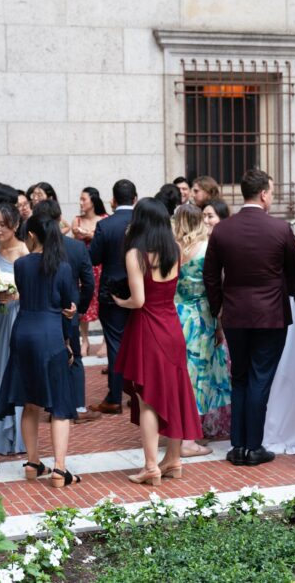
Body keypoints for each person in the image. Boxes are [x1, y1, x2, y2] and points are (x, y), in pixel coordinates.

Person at [203, 169, 295, 467]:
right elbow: (294, 272)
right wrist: (291, 292)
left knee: (240, 377)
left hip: (234, 313)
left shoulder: (222, 230)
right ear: (263, 194)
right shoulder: (280, 229)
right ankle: (253, 445)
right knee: (260, 379)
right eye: (270, 191)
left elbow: (210, 276)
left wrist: (218, 308)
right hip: (270, 314)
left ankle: (238, 445)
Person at [113, 198, 203, 485]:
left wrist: (120, 301)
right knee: (175, 394)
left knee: (148, 399)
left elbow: (138, 301)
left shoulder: (136, 254)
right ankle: (173, 460)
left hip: (147, 329)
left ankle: (151, 465)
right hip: (171, 327)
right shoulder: (174, 250)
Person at [0, 213, 80, 487]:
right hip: (50, 333)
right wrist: (68, 338)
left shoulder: (21, 265)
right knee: (59, 404)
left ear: (31, 236)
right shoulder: (63, 267)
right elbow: (67, 306)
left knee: (29, 401)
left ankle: (32, 463)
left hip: (22, 332)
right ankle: (59, 469)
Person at [173, 204, 230, 449]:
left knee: (181, 374)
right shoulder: (206, 249)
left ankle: (180, 431)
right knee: (198, 375)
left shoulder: (171, 250)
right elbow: (216, 287)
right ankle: (189, 438)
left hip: (176, 314)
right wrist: (219, 323)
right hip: (201, 317)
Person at [34, 199, 96, 425]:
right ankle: (77, 406)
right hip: (69, 309)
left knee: (49, 357)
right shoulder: (76, 247)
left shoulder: (34, 251)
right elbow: (88, 283)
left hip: (41, 311)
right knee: (74, 357)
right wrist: (80, 307)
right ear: (60, 218)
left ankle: (53, 405)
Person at [89, 180, 137, 416]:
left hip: (113, 292)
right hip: (140, 291)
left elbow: (94, 257)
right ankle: (137, 395)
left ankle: (115, 396)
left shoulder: (105, 225)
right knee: (137, 342)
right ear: (135, 199)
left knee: (116, 344)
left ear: (113, 200)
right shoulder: (142, 223)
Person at [0, 204, 29, 455]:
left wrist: (16, 295)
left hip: (20, 316)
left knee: (18, 372)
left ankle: (20, 436)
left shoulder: (25, 252)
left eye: (3, 224)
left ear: (15, 225)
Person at [69, 187, 108, 357]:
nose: (81, 203)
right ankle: (84, 339)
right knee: (83, 302)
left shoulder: (105, 219)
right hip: (84, 267)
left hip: (102, 267)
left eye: (83, 199)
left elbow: (104, 239)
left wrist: (90, 235)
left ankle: (105, 341)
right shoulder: (77, 220)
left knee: (103, 303)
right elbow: (74, 238)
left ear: (93, 200)